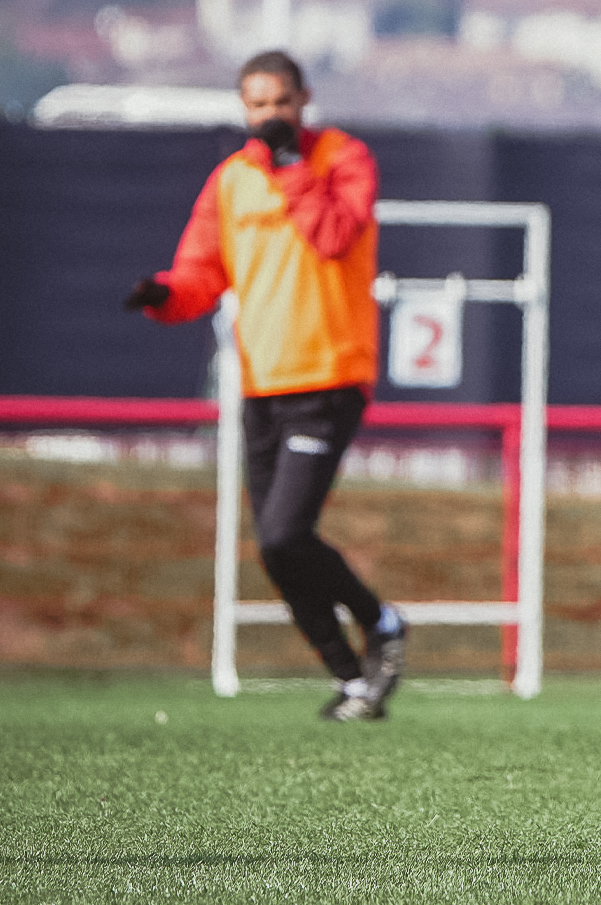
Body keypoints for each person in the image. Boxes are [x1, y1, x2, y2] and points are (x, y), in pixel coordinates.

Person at [126, 50, 407, 722]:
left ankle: (380, 621)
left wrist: (289, 168)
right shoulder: (229, 181)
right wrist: (164, 296)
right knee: (277, 550)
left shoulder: (343, 158)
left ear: (303, 99)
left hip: (331, 374)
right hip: (261, 384)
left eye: (280, 101)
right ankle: (353, 680)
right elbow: (202, 271)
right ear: (242, 109)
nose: (270, 114)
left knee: (285, 534)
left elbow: (336, 235)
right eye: (257, 104)